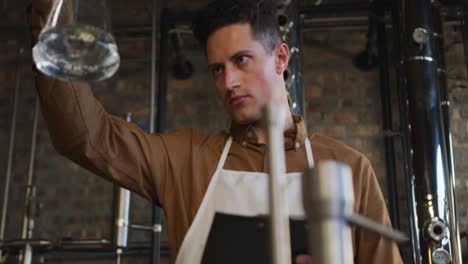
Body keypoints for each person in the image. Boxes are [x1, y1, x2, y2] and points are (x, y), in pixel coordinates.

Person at [31, 0, 403, 263]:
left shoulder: (348, 168)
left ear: (280, 58)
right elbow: (83, 135)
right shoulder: (187, 159)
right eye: (216, 69)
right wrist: (52, 13)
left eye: (241, 60)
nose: (229, 82)